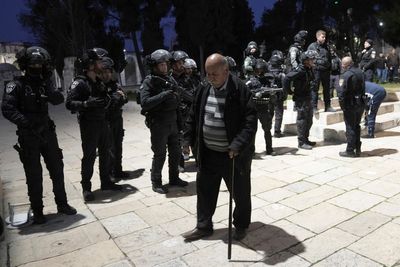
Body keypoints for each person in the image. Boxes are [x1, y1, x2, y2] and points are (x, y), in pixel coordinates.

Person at [182, 53, 257, 242]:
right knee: (205, 192)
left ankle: (240, 225)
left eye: (214, 74)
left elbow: (249, 123)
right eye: (207, 73)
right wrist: (187, 139)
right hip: (208, 153)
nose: (210, 77)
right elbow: (193, 115)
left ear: (226, 71)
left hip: (233, 155)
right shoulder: (204, 87)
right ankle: (203, 226)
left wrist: (237, 144)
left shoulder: (239, 89)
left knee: (240, 194)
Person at [1, 46, 76, 224]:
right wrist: (25, 122)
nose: (37, 66)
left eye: (40, 63)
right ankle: (38, 211)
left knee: (57, 169)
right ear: (26, 65)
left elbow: (58, 100)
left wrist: (48, 84)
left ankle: (62, 204)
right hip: (29, 136)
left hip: (48, 133)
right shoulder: (16, 85)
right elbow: (7, 108)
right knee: (33, 174)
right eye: (34, 63)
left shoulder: (44, 83)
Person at [66, 48, 122, 202]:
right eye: (98, 61)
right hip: (89, 125)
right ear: (90, 64)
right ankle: (86, 188)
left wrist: (113, 98)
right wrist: (85, 103)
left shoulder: (97, 81)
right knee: (89, 156)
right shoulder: (80, 83)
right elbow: (69, 103)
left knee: (105, 153)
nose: (101, 64)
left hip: (103, 122)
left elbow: (105, 99)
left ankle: (105, 182)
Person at [140, 49, 188, 194]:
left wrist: (180, 123)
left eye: (165, 64)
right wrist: (163, 95)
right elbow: (145, 102)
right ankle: (156, 182)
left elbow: (177, 101)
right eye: (161, 65)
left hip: (173, 122)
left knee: (175, 152)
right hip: (159, 124)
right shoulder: (149, 81)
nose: (164, 67)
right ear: (154, 66)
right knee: (160, 154)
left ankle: (174, 178)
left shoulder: (170, 79)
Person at [101, 57, 129, 179]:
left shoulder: (115, 85)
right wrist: (115, 98)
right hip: (106, 121)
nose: (106, 75)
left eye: (108, 72)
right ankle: (110, 172)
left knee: (118, 146)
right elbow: (106, 104)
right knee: (109, 148)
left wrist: (117, 98)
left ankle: (118, 170)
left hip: (117, 119)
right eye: (104, 72)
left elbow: (125, 98)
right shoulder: (99, 86)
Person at [283, 50, 318, 150]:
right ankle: (301, 142)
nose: (313, 61)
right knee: (302, 120)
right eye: (312, 59)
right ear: (306, 60)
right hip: (301, 98)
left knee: (309, 120)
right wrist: (289, 91)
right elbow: (287, 78)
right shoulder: (300, 70)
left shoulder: (309, 69)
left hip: (307, 97)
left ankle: (306, 139)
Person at [246, 58, 276, 155]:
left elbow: (272, 90)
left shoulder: (267, 80)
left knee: (267, 130)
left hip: (264, 108)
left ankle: (269, 149)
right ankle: (251, 150)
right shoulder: (250, 81)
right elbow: (244, 93)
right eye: (257, 70)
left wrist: (272, 92)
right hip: (253, 109)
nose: (259, 72)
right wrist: (254, 94)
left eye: (261, 70)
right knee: (252, 131)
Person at [337, 57, 366, 157]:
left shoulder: (346, 75)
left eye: (343, 64)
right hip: (360, 103)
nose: (342, 66)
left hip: (350, 104)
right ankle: (358, 148)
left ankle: (350, 150)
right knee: (357, 125)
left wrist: (342, 106)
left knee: (350, 127)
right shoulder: (360, 72)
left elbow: (341, 93)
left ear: (346, 65)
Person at [308, 30, 335, 113]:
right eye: (322, 37)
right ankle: (314, 107)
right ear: (317, 37)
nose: (324, 38)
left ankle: (328, 106)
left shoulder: (326, 47)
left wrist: (330, 67)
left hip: (326, 71)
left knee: (327, 89)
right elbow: (309, 58)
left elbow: (329, 58)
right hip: (316, 71)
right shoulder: (312, 46)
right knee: (314, 89)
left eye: (325, 37)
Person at [268, 50, 286, 138]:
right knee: (278, 113)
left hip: (269, 96)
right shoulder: (281, 74)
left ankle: (267, 129)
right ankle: (277, 132)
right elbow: (285, 86)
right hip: (278, 96)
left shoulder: (267, 73)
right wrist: (284, 96)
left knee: (270, 113)